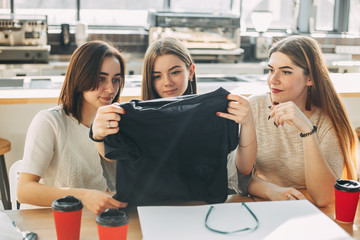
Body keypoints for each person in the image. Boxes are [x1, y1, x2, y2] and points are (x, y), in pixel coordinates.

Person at [90, 37, 256, 203]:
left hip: (202, 210)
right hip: (150, 213)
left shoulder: (214, 114)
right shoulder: (133, 119)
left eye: (175, 72)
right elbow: (110, 157)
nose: (167, 82)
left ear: (190, 71)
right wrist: (97, 133)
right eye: (157, 76)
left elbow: (244, 169)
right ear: (149, 78)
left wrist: (248, 122)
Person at [244, 35, 358, 207]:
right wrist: (269, 190)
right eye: (271, 70)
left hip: (308, 208)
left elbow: (323, 198)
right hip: (261, 204)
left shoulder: (328, 122)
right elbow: (235, 176)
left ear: (310, 78)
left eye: (286, 71)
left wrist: (307, 129)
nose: (273, 80)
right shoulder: (255, 106)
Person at [17, 40, 128, 214]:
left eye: (116, 80)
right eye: (101, 78)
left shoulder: (113, 125)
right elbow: (24, 191)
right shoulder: (49, 122)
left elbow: (108, 184)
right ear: (81, 77)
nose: (110, 89)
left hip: (88, 222)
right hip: (48, 223)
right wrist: (84, 196)